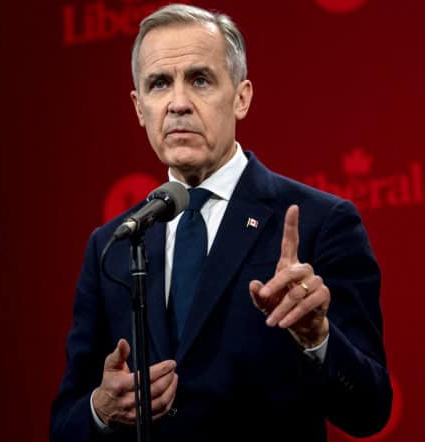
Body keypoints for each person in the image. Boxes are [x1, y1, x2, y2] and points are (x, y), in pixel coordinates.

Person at [51, 4, 392, 441]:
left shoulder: (321, 222)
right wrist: (101, 409)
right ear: (139, 107)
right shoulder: (112, 245)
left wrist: (317, 338)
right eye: (159, 84)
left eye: (199, 79)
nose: (178, 104)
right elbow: (64, 425)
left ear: (241, 97)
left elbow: (370, 409)